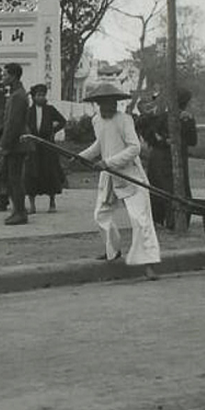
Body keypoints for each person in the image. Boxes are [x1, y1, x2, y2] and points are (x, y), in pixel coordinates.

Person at [79, 82, 161, 281]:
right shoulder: (96, 120)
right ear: (97, 104)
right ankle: (112, 250)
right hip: (108, 176)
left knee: (140, 220)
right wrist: (82, 156)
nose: (109, 107)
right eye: (104, 103)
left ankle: (148, 264)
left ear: (117, 103)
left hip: (131, 175)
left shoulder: (125, 120)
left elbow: (134, 148)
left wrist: (109, 162)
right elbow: (100, 144)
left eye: (112, 103)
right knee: (101, 214)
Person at [144, 88, 198, 229]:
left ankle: (158, 221)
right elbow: (193, 141)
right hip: (176, 158)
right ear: (186, 102)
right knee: (177, 189)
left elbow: (148, 135)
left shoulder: (158, 116)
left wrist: (161, 141)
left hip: (157, 158)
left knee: (158, 189)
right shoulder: (186, 118)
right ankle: (176, 222)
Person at [0, 63, 30, 225]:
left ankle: (20, 212)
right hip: (15, 143)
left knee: (15, 179)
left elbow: (13, 124)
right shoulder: (17, 94)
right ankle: (17, 210)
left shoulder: (18, 96)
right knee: (12, 178)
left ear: (13, 76)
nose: (2, 77)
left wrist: (3, 145)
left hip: (16, 144)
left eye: (5, 74)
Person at [24, 83, 67, 213]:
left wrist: (52, 130)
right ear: (33, 97)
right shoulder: (28, 111)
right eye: (38, 95)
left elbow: (63, 121)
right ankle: (32, 205)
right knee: (31, 174)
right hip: (33, 147)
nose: (41, 98)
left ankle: (52, 203)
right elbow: (23, 125)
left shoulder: (50, 109)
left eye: (43, 95)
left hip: (47, 146)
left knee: (50, 173)